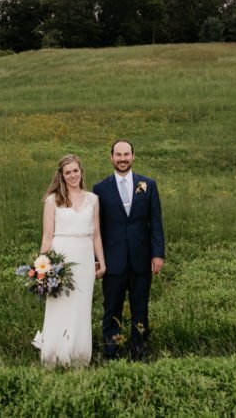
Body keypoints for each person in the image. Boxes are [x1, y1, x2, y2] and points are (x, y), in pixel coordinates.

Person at [94, 139, 165, 361]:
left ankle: (139, 351)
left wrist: (157, 254)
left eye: (127, 154)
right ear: (111, 158)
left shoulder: (148, 185)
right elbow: (97, 229)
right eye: (118, 155)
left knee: (140, 308)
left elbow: (156, 222)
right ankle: (110, 351)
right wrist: (97, 259)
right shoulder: (100, 189)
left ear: (133, 156)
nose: (123, 159)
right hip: (113, 260)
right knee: (112, 308)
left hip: (141, 259)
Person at [33, 154, 106, 367]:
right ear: (62, 176)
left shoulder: (93, 199)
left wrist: (101, 261)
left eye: (76, 171)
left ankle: (79, 355)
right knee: (59, 303)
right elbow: (47, 236)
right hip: (61, 255)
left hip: (84, 256)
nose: (73, 175)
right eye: (68, 172)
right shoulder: (52, 200)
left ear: (81, 172)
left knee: (81, 305)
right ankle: (54, 354)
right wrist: (42, 267)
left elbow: (96, 234)